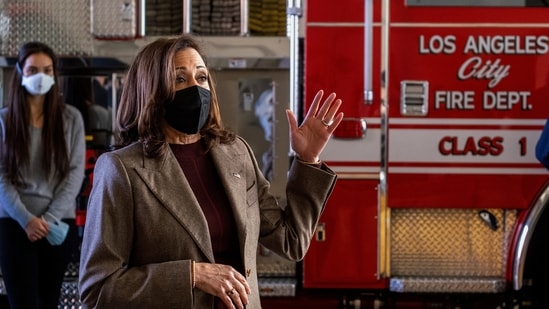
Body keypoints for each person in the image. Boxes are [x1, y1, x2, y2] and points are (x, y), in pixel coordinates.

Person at [78, 34, 343, 309]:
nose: (195, 88)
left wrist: (308, 159)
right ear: (152, 91)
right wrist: (192, 274)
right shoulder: (122, 169)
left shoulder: (236, 152)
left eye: (201, 77)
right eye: (180, 79)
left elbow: (291, 241)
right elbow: (98, 290)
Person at [0, 41, 86, 308]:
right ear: (20, 72)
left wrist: (47, 220)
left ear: (54, 74)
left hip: (57, 226)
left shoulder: (71, 119)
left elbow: (75, 173)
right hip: (14, 225)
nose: (41, 76)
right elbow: (1, 177)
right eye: (33, 69)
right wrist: (27, 220)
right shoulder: (4, 121)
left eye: (47, 70)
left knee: (49, 301)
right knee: (22, 302)